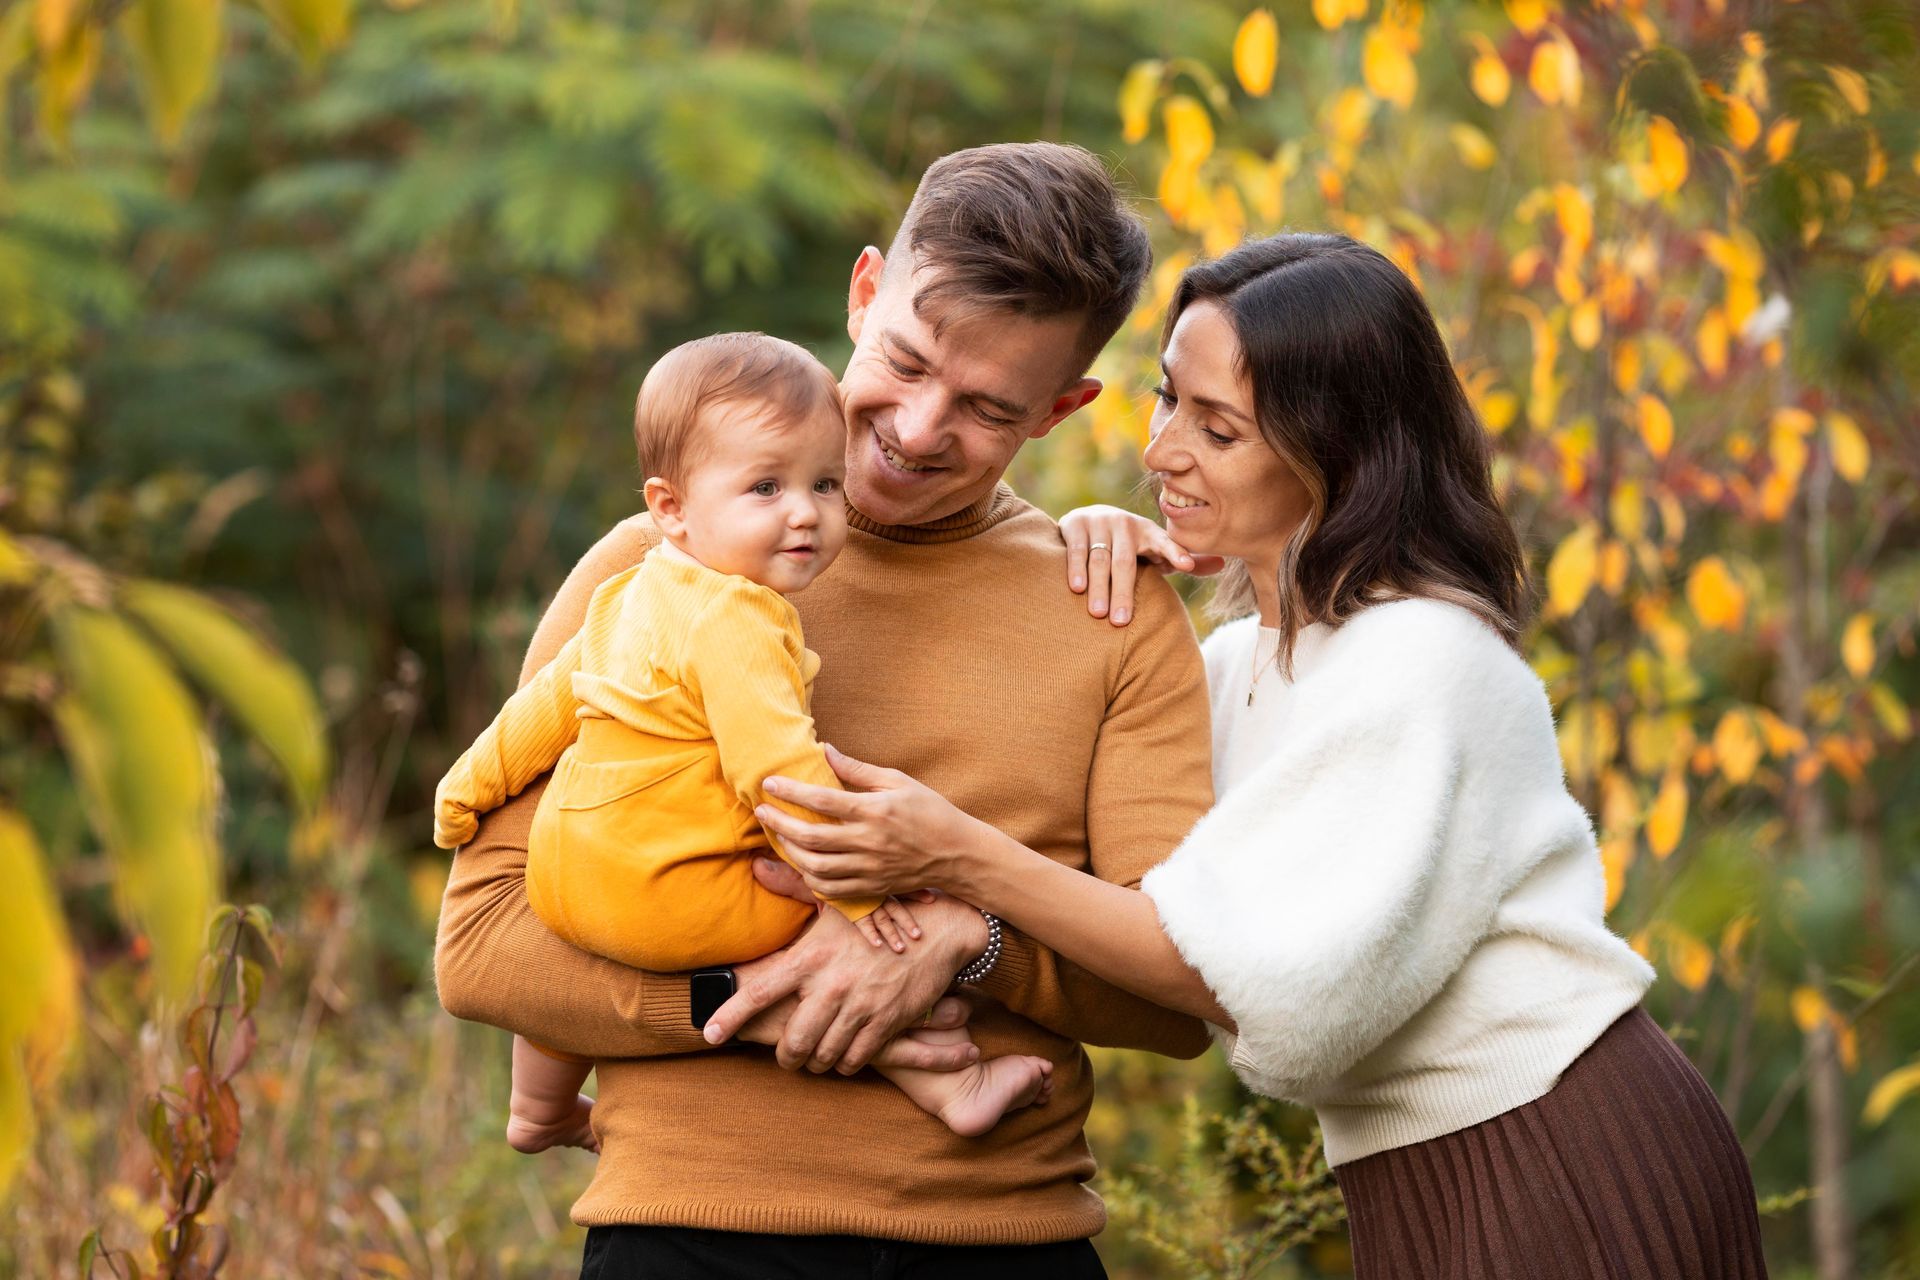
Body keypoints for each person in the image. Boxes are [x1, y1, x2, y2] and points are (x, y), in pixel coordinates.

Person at [737, 234, 1772, 1278]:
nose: (1162, 452)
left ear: (1338, 453)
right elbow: (1112, 886)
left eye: (1219, 428)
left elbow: (1245, 984)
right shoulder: (1234, 663)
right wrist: (1068, 552)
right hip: (1411, 1164)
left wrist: (955, 859)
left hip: (1558, 1138)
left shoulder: (1423, 659)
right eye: (1167, 399)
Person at [433, 143, 1214, 1279]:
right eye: (904, 360)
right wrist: (755, 988)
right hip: (686, 1234)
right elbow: (483, 950)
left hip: (1003, 1239)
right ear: (863, 293)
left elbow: (1182, 992)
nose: (915, 427)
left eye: (988, 408)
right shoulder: (653, 568)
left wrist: (970, 937)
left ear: (1062, 407)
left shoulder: (1114, 610)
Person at [431, 332, 1053, 1151]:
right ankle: (947, 1080)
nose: (806, 512)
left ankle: (539, 1110)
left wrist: (464, 792)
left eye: (824, 483)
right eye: (765, 487)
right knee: (854, 951)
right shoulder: (740, 616)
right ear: (672, 506)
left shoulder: (630, 589)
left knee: (599, 925)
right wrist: (859, 902)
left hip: (563, 880)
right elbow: (777, 775)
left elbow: (542, 713)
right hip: (674, 892)